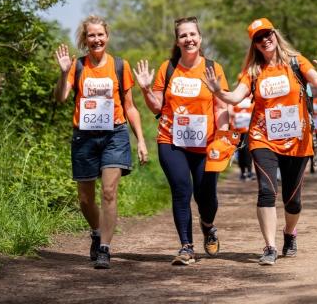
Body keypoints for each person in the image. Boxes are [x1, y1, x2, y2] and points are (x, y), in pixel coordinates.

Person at [204, 17, 317, 265]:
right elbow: (234, 97)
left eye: (267, 34)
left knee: (292, 200)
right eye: (258, 38)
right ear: (254, 45)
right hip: (262, 138)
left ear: (275, 35)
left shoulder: (296, 62)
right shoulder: (253, 72)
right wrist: (217, 91)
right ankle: (270, 247)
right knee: (266, 191)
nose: (264, 40)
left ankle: (289, 234)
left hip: (297, 140)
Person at [54, 15, 148, 269]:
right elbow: (61, 97)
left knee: (109, 192)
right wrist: (64, 74)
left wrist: (141, 140)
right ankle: (97, 232)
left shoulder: (120, 65)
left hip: (114, 134)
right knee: (85, 199)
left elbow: (130, 107)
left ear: (107, 36)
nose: (96, 40)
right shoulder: (77, 65)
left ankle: (105, 247)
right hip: (84, 136)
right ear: (85, 39)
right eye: (91, 35)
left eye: (100, 35)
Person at [133, 16, 229, 266]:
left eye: (192, 35)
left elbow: (220, 106)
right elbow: (157, 105)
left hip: (206, 143)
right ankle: (186, 247)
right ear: (177, 41)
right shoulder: (168, 68)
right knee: (181, 191)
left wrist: (223, 134)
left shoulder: (213, 68)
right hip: (171, 140)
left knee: (206, 196)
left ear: (200, 38)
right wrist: (144, 89)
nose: (188, 39)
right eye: (183, 36)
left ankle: (208, 226)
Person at [229, 79, 255, 181]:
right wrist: (236, 115)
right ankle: (242, 172)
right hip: (235, 130)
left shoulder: (252, 98)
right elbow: (229, 111)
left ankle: (249, 171)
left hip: (248, 129)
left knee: (248, 151)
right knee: (238, 151)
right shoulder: (234, 98)